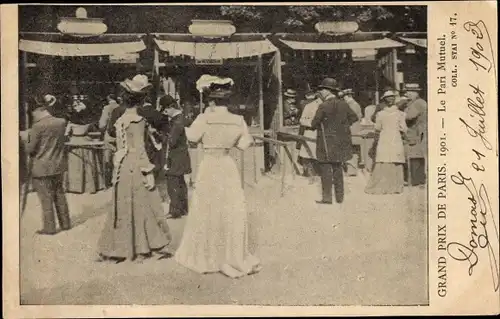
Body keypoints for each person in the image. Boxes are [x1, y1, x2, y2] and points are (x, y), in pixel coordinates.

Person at [175, 81, 261, 278]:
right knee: (230, 207)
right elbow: (244, 144)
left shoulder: (204, 118)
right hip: (227, 164)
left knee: (207, 207)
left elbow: (192, 137)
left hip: (209, 165)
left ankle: (209, 255)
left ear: (211, 101)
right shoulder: (238, 120)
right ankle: (231, 255)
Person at [97, 75, 172, 263]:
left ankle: (120, 247)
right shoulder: (139, 120)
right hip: (136, 166)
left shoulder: (119, 119)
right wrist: (148, 170)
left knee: (122, 205)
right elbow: (139, 149)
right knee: (145, 204)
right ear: (141, 99)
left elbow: (115, 140)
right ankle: (144, 245)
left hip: (121, 167)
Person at [19, 95, 71, 235]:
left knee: (46, 198)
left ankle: (50, 228)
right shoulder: (61, 122)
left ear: (38, 110)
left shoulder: (37, 126)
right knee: (60, 194)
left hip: (41, 167)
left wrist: (25, 139)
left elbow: (30, 149)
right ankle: (65, 223)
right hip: (58, 164)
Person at [311, 78, 358, 205]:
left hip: (326, 142)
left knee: (326, 169)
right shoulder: (343, 104)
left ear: (327, 91)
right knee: (338, 168)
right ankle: (340, 197)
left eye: (322, 89)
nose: (320, 92)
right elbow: (354, 117)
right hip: (340, 142)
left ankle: (327, 198)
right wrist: (341, 127)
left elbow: (314, 123)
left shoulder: (323, 105)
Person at [365, 92, 408, 194]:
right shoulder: (400, 114)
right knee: (395, 160)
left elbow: (377, 128)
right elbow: (404, 128)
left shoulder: (380, 114)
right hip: (395, 138)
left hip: (384, 138)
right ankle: (396, 187)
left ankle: (382, 186)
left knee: (384, 160)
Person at [159, 95, 192, 219]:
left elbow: (171, 141)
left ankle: (174, 211)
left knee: (172, 183)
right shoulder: (181, 118)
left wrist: (159, 135)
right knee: (181, 183)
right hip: (182, 156)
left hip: (175, 157)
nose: (165, 113)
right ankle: (183, 208)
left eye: (166, 110)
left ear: (171, 107)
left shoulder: (177, 121)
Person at [65, 98, 105, 194]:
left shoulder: (71, 123)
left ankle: (75, 187)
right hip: (85, 141)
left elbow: (66, 134)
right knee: (88, 164)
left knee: (75, 165)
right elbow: (94, 131)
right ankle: (90, 186)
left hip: (74, 142)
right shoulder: (88, 123)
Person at [401, 83, 427, 186]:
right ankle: (418, 180)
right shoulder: (418, 102)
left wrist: (400, 113)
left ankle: (415, 180)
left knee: (415, 155)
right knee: (417, 156)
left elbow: (409, 117)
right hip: (418, 132)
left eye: (409, 92)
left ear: (416, 92)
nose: (407, 94)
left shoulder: (417, 103)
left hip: (417, 132)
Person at [367, 90, 396, 170]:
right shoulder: (382, 106)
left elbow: (373, 118)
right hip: (386, 131)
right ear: (385, 98)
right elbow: (373, 118)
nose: (391, 99)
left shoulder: (394, 106)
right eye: (389, 97)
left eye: (392, 97)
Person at [297, 91, 321, 182]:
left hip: (321, 134)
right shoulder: (308, 106)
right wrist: (312, 124)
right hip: (310, 132)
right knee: (308, 154)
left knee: (318, 155)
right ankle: (310, 175)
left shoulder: (326, 105)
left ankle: (318, 174)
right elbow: (302, 120)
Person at [99, 94, 121, 186]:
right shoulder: (122, 108)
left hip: (109, 136)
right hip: (120, 136)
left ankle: (107, 183)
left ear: (108, 99)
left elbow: (102, 124)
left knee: (107, 160)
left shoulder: (107, 108)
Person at [343, 89, 363, 177]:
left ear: (347, 96)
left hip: (352, 130)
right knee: (352, 150)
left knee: (351, 150)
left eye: (344, 97)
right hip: (354, 130)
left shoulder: (352, 105)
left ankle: (352, 170)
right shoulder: (355, 104)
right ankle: (351, 169)